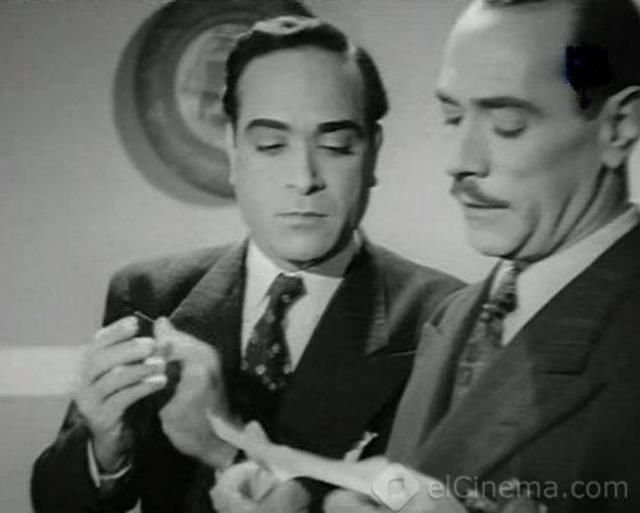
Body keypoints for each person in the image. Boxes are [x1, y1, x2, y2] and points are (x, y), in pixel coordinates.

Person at [30, 16, 462, 513]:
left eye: (335, 145)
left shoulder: (445, 319)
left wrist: (227, 444)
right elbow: (54, 502)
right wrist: (105, 449)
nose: (303, 178)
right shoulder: (148, 295)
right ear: (233, 152)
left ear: (373, 154)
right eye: (271, 145)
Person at [325, 0, 640, 512]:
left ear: (619, 126)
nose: (459, 162)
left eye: (508, 123)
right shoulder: (453, 316)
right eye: (452, 117)